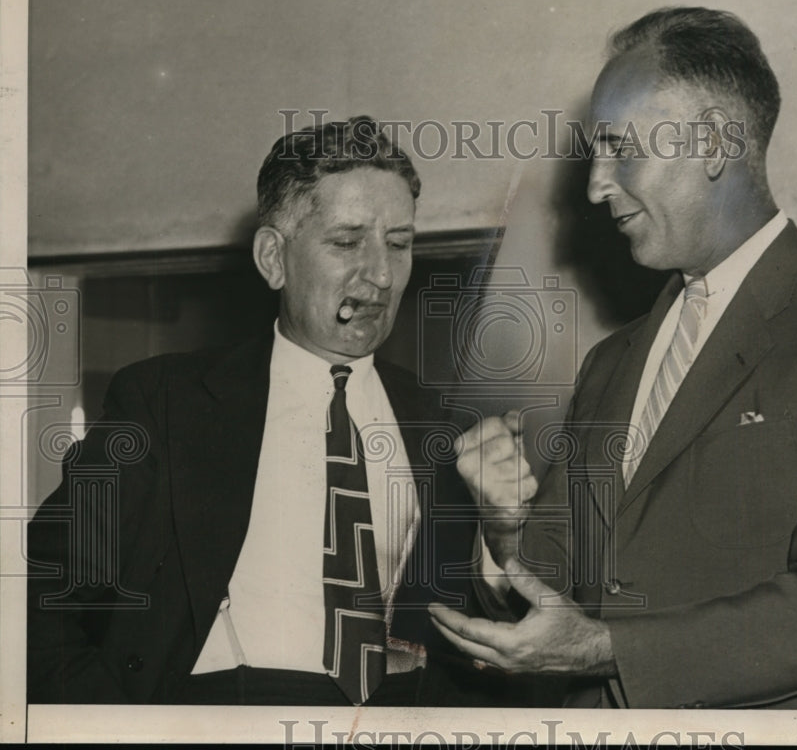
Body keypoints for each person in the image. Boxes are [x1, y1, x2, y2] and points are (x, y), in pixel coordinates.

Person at [429, 7, 797, 709]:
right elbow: (550, 610)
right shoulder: (612, 364)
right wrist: (506, 527)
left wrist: (611, 651)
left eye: (619, 148)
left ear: (710, 143)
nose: (595, 185)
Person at [27, 116, 507, 706]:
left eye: (400, 244)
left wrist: (506, 535)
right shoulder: (165, 404)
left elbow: (487, 634)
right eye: (348, 241)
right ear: (273, 257)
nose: (382, 274)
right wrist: (114, 726)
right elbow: (38, 593)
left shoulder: (445, 427)